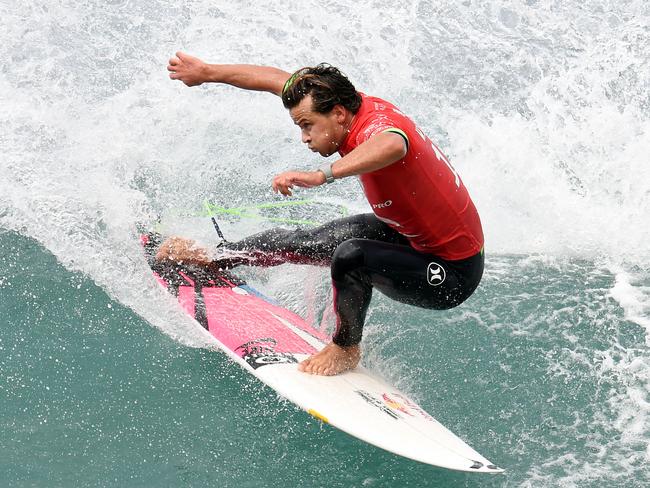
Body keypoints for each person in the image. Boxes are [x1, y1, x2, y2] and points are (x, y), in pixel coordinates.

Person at [157, 52, 485, 376]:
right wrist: (207, 71)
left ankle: (345, 348)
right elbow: (275, 80)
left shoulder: (379, 127)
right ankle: (218, 257)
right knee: (304, 241)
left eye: (307, 125)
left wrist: (321, 175)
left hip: (450, 271)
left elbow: (394, 145)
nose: (304, 137)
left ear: (339, 114)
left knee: (351, 257)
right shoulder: (346, 105)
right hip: (406, 234)